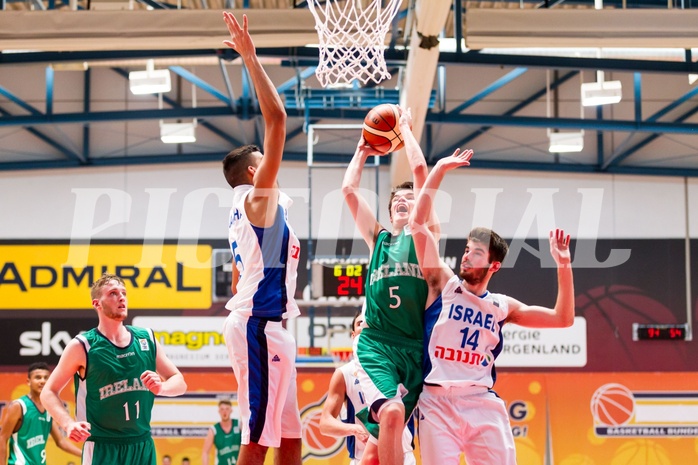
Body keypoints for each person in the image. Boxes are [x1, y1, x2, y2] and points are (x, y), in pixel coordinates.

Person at [408, 149, 575, 465]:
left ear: (494, 265)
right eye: (466, 250)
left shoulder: (501, 306)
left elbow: (563, 319)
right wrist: (439, 170)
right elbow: (418, 224)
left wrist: (563, 266)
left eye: (476, 253)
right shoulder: (443, 283)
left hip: (481, 402)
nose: (466, 256)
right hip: (436, 401)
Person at [220, 11, 302, 465]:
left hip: (266, 325)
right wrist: (251, 58)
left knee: (290, 436)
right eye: (264, 159)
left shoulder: (242, 212)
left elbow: (238, 279)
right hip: (258, 328)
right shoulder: (256, 201)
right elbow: (278, 118)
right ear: (255, 171)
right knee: (256, 437)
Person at [342, 107, 435, 465]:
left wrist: (407, 129)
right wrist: (363, 151)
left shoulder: (424, 235)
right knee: (392, 415)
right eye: (397, 199)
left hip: (412, 349)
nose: (401, 200)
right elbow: (349, 190)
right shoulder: (378, 239)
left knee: (387, 438)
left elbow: (421, 173)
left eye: (409, 199)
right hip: (377, 343)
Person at [39, 273, 187, 465]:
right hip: (102, 446)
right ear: (97, 304)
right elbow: (48, 392)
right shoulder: (83, 346)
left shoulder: (146, 338)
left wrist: (162, 388)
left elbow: (180, 382)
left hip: (142, 444)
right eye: (113, 293)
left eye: (124, 293)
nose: (121, 297)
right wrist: (68, 424)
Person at [319, 311, 416, 465]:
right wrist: (353, 429)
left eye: (368, 323)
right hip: (361, 457)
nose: (364, 326)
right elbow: (325, 423)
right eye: (359, 324)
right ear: (353, 335)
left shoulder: (399, 366)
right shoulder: (344, 374)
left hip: (402, 455)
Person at [0, 362, 82, 465]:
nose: (42, 381)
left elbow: (61, 442)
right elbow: (2, 438)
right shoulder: (19, 406)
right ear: (28, 381)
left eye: (46, 378)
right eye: (38, 377)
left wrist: (84, 454)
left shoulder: (48, 408)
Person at [202, 399, 241, 465]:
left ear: (231, 410)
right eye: (222, 409)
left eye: (227, 409)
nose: (224, 411)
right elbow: (205, 452)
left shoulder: (239, 424)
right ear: (219, 411)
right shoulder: (213, 430)